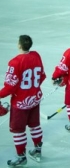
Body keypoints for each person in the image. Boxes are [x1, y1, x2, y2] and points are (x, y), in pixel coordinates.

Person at [0, 35, 46, 166]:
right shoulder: (36, 55)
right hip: (35, 99)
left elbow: (10, 87)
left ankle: (21, 157)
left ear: (19, 45)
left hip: (20, 103)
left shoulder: (15, 62)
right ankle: (37, 150)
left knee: (18, 130)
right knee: (35, 125)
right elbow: (41, 76)